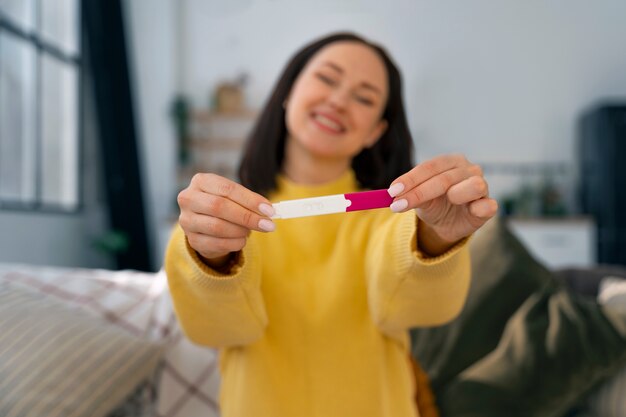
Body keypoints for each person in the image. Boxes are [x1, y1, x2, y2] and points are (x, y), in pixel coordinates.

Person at [165, 32, 498, 417]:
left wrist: (437, 237)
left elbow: (419, 308)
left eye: (364, 97)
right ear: (289, 92)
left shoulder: (392, 219)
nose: (339, 101)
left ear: (375, 131)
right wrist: (210, 256)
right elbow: (213, 331)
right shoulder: (213, 217)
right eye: (327, 78)